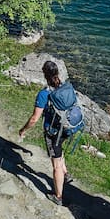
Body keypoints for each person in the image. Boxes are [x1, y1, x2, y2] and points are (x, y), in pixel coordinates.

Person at [18, 60, 73, 206]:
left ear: (44, 74)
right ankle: (66, 173)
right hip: (67, 128)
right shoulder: (66, 86)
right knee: (59, 150)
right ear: (57, 73)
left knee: (56, 165)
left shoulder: (44, 94)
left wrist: (23, 130)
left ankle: (58, 196)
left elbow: (34, 119)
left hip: (53, 132)